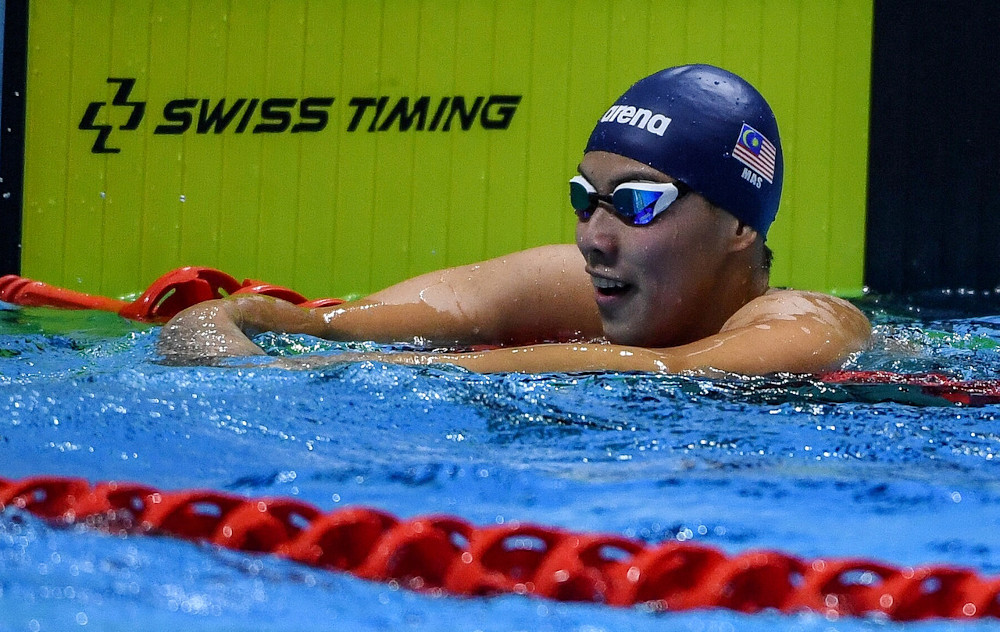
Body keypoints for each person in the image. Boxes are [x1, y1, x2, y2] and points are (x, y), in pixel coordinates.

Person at [158, 64, 870, 375]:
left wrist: (336, 371)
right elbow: (342, 322)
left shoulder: (811, 329)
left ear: (740, 226)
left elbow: (665, 371)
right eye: (584, 198)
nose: (594, 237)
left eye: (637, 204)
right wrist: (245, 316)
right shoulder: (599, 282)